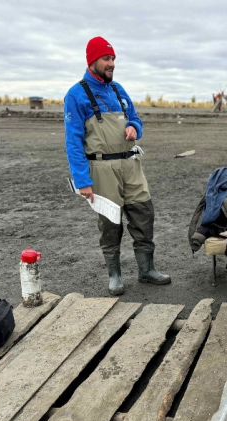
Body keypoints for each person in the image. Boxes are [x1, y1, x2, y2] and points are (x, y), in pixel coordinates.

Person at [64, 36, 170, 296]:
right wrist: (82, 181)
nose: (111, 64)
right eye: (106, 59)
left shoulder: (118, 90)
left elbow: (135, 118)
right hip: (101, 170)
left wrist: (135, 127)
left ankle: (147, 270)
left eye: (113, 59)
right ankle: (115, 276)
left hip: (131, 164)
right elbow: (73, 143)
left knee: (144, 214)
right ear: (92, 61)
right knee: (110, 224)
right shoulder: (76, 95)